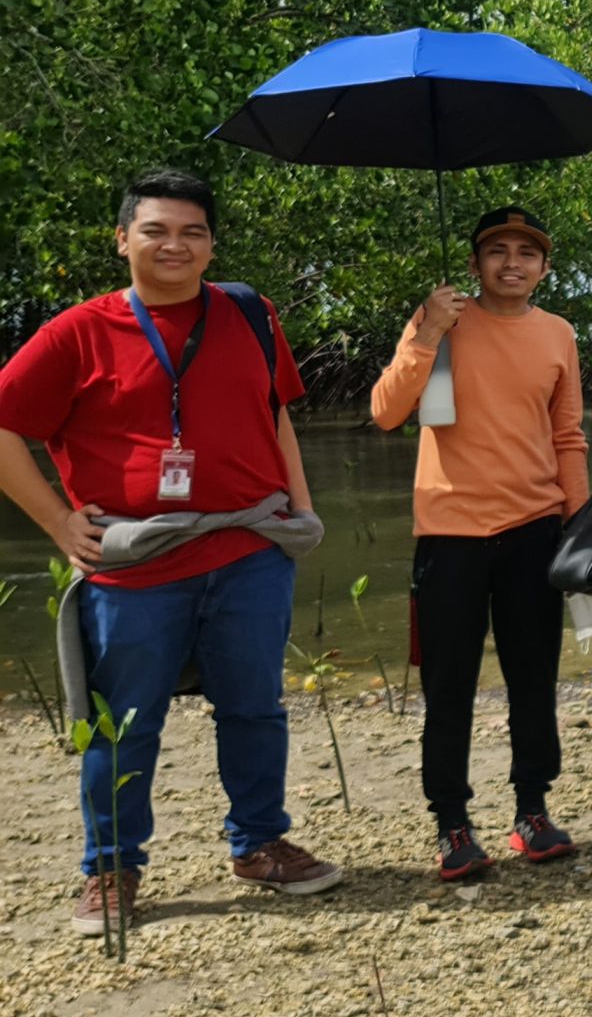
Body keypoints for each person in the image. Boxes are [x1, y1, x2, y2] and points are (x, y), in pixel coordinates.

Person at [0, 172, 341, 936]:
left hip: (251, 547)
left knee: (255, 708)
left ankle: (259, 844)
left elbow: (274, 412)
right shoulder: (76, 332)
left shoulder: (250, 313)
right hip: (136, 562)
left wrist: (302, 507)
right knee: (125, 720)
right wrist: (58, 523)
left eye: (192, 232)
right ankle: (112, 869)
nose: (174, 245)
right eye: (156, 230)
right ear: (122, 239)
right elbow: (3, 428)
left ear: (211, 244)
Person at [369, 206, 589, 880]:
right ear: (475, 264)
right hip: (449, 531)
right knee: (449, 685)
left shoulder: (558, 334)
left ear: (545, 268)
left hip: (534, 528)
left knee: (533, 677)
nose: (512, 262)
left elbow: (569, 436)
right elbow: (385, 412)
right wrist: (427, 332)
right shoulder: (440, 321)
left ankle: (532, 810)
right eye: (498, 250)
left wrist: (581, 530)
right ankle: (451, 822)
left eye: (528, 252)